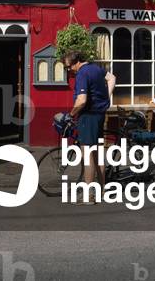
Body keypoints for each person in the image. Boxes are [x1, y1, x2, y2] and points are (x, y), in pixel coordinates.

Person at [65, 50, 111, 205]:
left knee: (88, 155)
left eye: (69, 67)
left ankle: (89, 195)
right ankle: (102, 190)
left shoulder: (82, 73)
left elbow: (82, 100)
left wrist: (71, 114)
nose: (69, 70)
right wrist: (106, 97)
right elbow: (112, 78)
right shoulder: (96, 68)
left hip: (88, 116)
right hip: (100, 114)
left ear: (76, 62)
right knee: (97, 153)